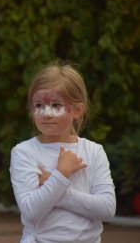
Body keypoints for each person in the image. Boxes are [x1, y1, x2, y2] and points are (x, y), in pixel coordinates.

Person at [9, 60, 116, 243]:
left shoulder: (93, 151)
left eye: (56, 106)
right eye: (39, 106)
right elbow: (31, 212)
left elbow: (107, 209)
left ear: (77, 110)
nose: (47, 113)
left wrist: (56, 184)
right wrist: (62, 172)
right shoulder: (24, 152)